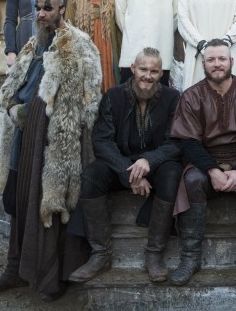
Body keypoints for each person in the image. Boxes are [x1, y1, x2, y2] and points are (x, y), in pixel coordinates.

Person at [0, 0, 102, 301]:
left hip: (54, 144)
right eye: (38, 7)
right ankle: (15, 269)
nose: (42, 13)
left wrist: (45, 119)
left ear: (62, 9)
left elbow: (89, 101)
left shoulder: (79, 45)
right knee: (19, 202)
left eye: (48, 8)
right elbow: (11, 87)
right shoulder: (32, 44)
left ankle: (51, 276)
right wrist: (12, 108)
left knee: (49, 206)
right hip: (23, 138)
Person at [169, 39, 236, 286]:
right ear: (203, 64)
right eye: (211, 60)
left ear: (231, 61)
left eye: (221, 59)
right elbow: (188, 142)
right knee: (192, 180)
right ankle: (190, 256)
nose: (217, 64)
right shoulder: (191, 96)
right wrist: (212, 170)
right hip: (206, 160)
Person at [68, 47, 182, 283]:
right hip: (120, 164)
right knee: (92, 174)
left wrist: (148, 160)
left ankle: (154, 254)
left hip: (155, 165)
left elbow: (176, 142)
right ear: (133, 69)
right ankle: (100, 254)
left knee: (172, 173)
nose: (147, 76)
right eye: (143, 69)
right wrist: (129, 172)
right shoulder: (113, 96)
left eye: (154, 71)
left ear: (161, 73)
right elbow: (101, 142)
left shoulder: (172, 98)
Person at [66, 0, 120, 92]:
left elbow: (119, 26)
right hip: (85, 47)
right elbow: (68, 25)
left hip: (107, 46)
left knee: (109, 84)